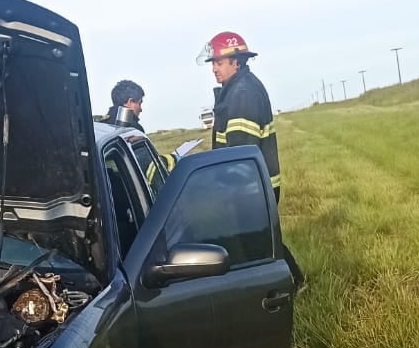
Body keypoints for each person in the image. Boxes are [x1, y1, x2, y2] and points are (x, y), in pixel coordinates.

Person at [196, 29, 303, 284]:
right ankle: (295, 282)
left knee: (255, 243)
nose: (214, 69)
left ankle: (288, 284)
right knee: (261, 239)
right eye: (213, 64)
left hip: (249, 187)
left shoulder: (242, 94)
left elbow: (239, 153)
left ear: (237, 61)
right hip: (252, 186)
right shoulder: (237, 89)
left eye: (219, 63)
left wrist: (221, 188)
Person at [98, 79, 173, 190]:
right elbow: (150, 170)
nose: (141, 109)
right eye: (140, 102)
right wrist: (173, 159)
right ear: (130, 102)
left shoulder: (101, 127)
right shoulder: (132, 130)